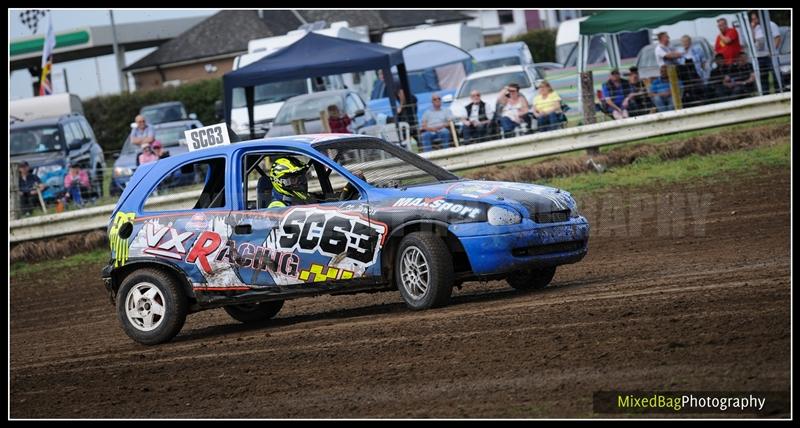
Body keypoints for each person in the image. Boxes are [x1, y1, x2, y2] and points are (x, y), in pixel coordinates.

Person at [750, 11, 782, 94]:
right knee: (763, 77)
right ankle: (765, 94)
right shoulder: (755, 28)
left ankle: (780, 92)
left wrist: (773, 51)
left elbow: (777, 38)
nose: (754, 21)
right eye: (752, 19)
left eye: (755, 19)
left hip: (770, 55)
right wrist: (752, 29)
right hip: (760, 56)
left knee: (776, 75)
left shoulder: (771, 25)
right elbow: (752, 40)